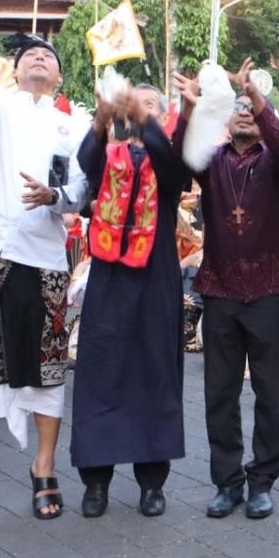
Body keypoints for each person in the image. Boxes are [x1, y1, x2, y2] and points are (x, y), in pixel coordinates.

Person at [0, 0, 90, 523]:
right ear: (12, 68)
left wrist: (55, 198)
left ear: (58, 79)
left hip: (46, 257)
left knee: (47, 366)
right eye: (29, 54)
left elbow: (80, 190)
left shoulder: (75, 127)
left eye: (48, 57)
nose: (38, 58)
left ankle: (43, 466)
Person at [173, 61, 279, 522]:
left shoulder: (277, 163)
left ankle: (262, 481)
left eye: (253, 107)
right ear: (225, 118)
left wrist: (256, 96)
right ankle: (227, 483)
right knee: (219, 393)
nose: (245, 112)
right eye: (238, 107)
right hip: (220, 288)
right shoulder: (213, 161)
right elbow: (182, 156)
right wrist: (189, 112)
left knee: (268, 393)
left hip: (270, 290)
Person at [70, 82, 188, 518]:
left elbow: (175, 170)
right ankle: (96, 483)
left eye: (149, 106)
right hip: (110, 279)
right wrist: (101, 120)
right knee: (101, 371)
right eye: (132, 106)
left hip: (156, 279)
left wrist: (144, 118)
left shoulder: (168, 162)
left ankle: (152, 484)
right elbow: (85, 164)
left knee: (156, 374)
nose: (139, 112)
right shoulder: (109, 157)